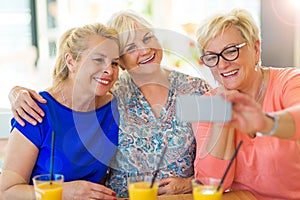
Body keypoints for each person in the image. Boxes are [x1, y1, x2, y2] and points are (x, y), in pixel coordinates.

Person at [7, 10, 211, 198]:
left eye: (148, 38)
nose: (145, 49)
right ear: (122, 61)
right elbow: (64, 100)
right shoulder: (112, 92)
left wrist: (191, 183)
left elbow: (222, 159)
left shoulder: (195, 90)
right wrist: (16, 92)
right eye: (131, 47)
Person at [0, 23, 120, 200]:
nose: (109, 70)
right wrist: (64, 192)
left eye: (115, 63)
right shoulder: (36, 109)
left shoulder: (115, 108)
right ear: (71, 62)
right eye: (98, 59)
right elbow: (6, 191)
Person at [192, 8, 300, 200]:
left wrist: (265, 123)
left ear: (256, 49)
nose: (222, 65)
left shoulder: (288, 81)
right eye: (212, 57)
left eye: (231, 51)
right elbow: (211, 184)